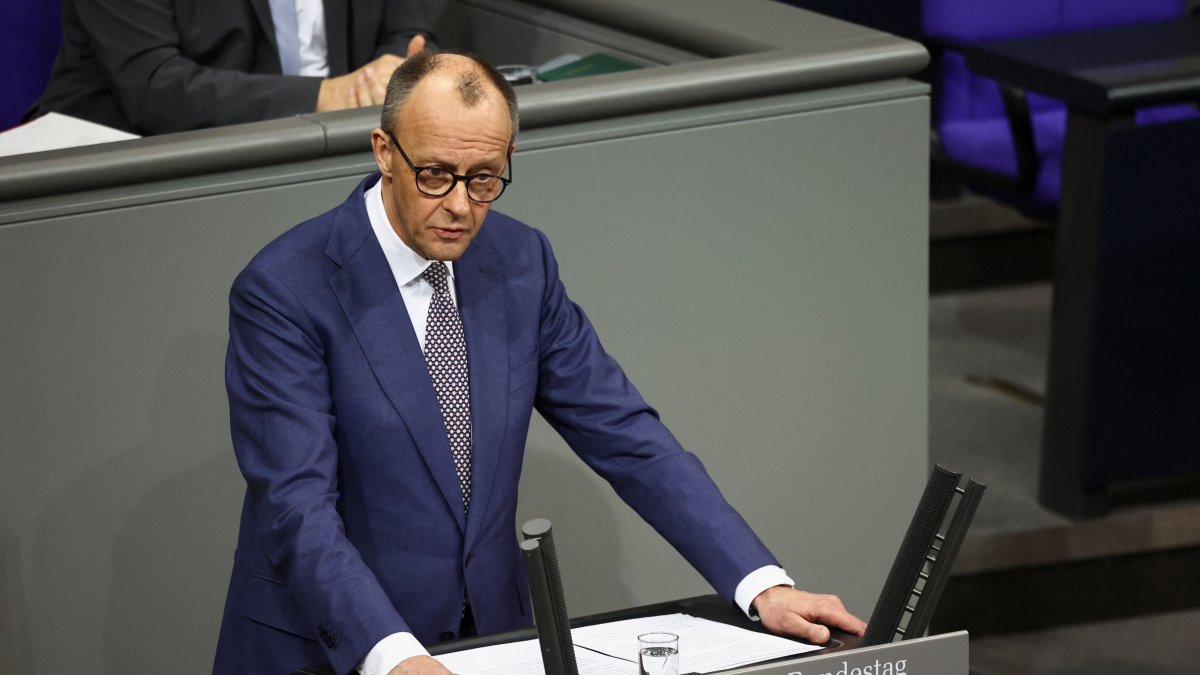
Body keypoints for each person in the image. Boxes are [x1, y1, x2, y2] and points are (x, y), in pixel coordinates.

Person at [214, 50, 867, 675]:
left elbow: (629, 436)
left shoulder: (521, 260)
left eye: (485, 178)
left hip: (490, 640)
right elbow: (296, 503)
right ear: (385, 152)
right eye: (435, 174)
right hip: (337, 650)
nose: (462, 205)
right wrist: (392, 653)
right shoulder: (285, 287)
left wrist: (761, 584)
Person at [26, 0, 433, 135]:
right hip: (131, 163)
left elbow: (406, 33)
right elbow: (154, 87)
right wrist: (330, 95)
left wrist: (385, 75)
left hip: (333, 150)